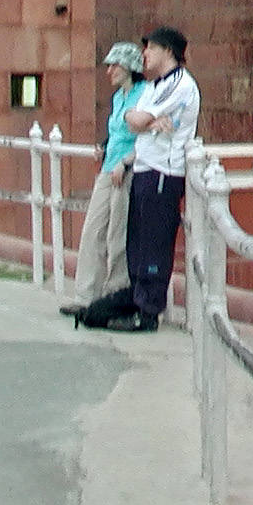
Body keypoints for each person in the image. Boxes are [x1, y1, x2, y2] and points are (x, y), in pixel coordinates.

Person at [114, 26, 200, 332]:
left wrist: (140, 120)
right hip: (144, 168)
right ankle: (137, 302)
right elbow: (132, 119)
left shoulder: (181, 86)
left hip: (164, 172)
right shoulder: (153, 86)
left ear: (167, 50)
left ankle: (149, 310)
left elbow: (136, 119)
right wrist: (141, 121)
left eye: (149, 49)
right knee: (136, 240)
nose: (144, 55)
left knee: (154, 242)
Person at [60, 42, 145, 317]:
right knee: (92, 230)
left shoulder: (144, 95)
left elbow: (149, 136)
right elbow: (118, 130)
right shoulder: (119, 97)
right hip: (110, 167)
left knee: (117, 234)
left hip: (127, 170)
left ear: (130, 67)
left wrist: (126, 161)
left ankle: (114, 296)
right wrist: (106, 146)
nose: (109, 71)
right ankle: (86, 296)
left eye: (114, 65)